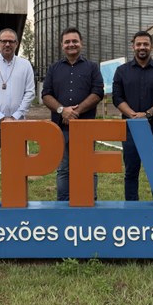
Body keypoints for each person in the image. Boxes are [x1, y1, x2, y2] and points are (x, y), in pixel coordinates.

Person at [42, 27, 104, 201]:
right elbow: (46, 95)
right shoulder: (53, 68)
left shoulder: (92, 67)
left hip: (85, 128)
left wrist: (75, 112)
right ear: (62, 45)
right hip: (60, 129)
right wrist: (62, 111)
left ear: (81, 43)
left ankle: (90, 202)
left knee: (88, 166)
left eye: (75, 41)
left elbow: (98, 92)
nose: (71, 44)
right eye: (67, 42)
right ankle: (63, 205)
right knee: (63, 169)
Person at [112, 31, 153, 201]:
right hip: (130, 130)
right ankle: (132, 209)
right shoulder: (121, 71)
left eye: (145, 44)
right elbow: (117, 97)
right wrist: (132, 115)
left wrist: (147, 114)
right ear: (133, 46)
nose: (142, 47)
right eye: (138, 44)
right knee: (131, 172)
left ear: (151, 47)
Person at [0, 28, 35, 137]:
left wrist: (15, 117)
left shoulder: (25, 65)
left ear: (16, 44)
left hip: (18, 122)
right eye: (4, 41)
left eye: (11, 41)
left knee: (17, 149)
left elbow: (30, 92)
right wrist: (1, 118)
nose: (7, 44)